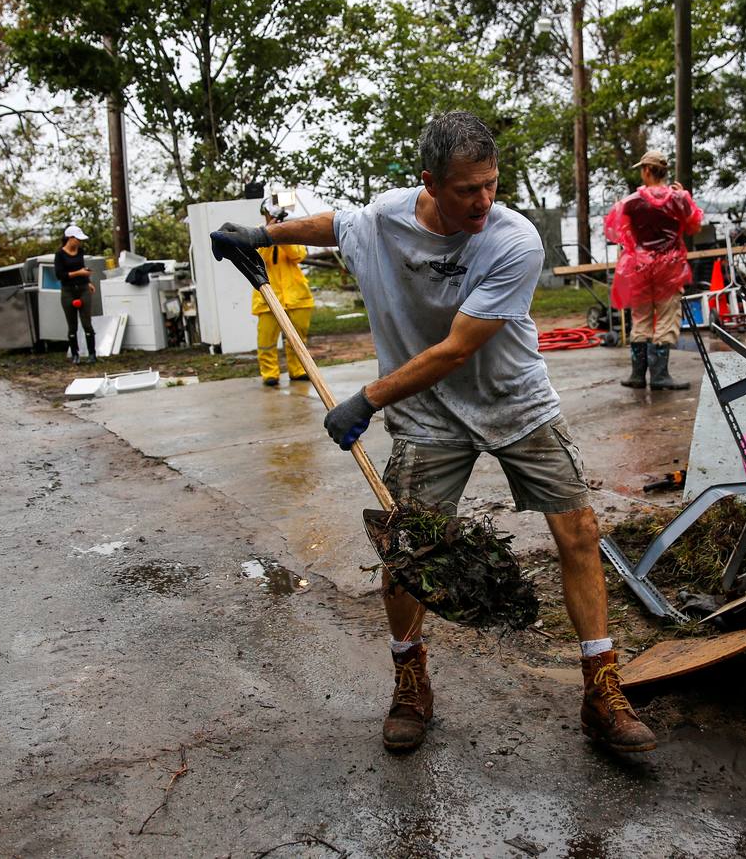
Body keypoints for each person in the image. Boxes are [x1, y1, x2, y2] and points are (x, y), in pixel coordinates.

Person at [210, 111, 657, 756]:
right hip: (427, 416)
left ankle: (601, 686)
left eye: (491, 185)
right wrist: (260, 233)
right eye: (466, 190)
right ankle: (410, 679)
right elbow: (338, 226)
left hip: (514, 403)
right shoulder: (389, 218)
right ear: (430, 184)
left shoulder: (514, 240)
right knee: (407, 549)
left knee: (579, 531)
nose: (482, 201)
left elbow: (455, 349)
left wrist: (365, 398)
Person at [604, 148, 703, 390]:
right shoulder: (679, 199)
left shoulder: (631, 202)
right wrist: (684, 198)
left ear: (647, 171)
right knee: (667, 318)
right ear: (663, 172)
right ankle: (660, 376)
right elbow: (694, 225)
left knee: (641, 319)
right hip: (670, 267)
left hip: (639, 267)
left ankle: (638, 375)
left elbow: (617, 231)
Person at [252, 201, 315, 387]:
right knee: (266, 340)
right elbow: (257, 257)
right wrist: (268, 233)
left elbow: (298, 255)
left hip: (296, 296)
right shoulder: (255, 233)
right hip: (267, 295)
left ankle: (298, 370)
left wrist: (281, 234)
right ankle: (270, 374)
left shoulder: (293, 231)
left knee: (297, 338)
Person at [55, 224, 96, 364]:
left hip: (83, 288)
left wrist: (88, 280)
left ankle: (92, 354)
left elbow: (81, 267)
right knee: (72, 325)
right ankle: (75, 354)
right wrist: (79, 273)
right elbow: (60, 275)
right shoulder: (60, 255)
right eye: (77, 239)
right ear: (70, 238)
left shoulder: (80, 251)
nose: (79, 242)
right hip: (68, 290)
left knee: (87, 323)